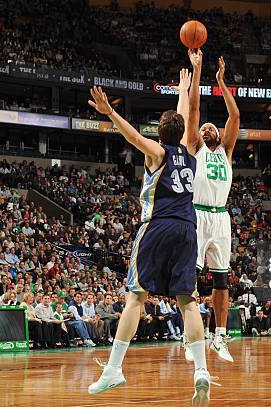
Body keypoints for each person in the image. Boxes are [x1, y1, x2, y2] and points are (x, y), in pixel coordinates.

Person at [86, 69, 211, 407]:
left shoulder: (158, 153)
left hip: (158, 227)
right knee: (188, 301)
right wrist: (188, 84)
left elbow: (132, 137)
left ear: (158, 132)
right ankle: (201, 369)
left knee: (135, 298)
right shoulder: (189, 150)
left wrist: (109, 112)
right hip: (188, 229)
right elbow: (185, 119)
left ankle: (114, 369)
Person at [184, 49, 240, 363]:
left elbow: (235, 117)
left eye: (212, 128)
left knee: (222, 280)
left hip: (221, 218)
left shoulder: (226, 151)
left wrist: (221, 82)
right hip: (197, 212)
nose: (208, 129)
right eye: (203, 128)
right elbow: (193, 108)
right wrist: (200, 69)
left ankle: (219, 337)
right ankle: (192, 335)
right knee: (189, 278)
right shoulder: (195, 148)